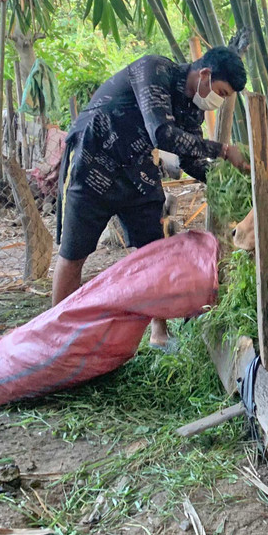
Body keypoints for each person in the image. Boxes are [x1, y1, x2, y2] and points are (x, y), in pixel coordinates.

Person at [53, 47, 250, 349]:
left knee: (153, 250)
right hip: (94, 158)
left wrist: (232, 181)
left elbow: (188, 156)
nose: (217, 102)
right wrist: (223, 151)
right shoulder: (154, 70)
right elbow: (163, 134)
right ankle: (58, 337)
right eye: (220, 92)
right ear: (206, 75)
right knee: (74, 252)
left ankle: (159, 333)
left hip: (136, 168)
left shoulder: (192, 109)